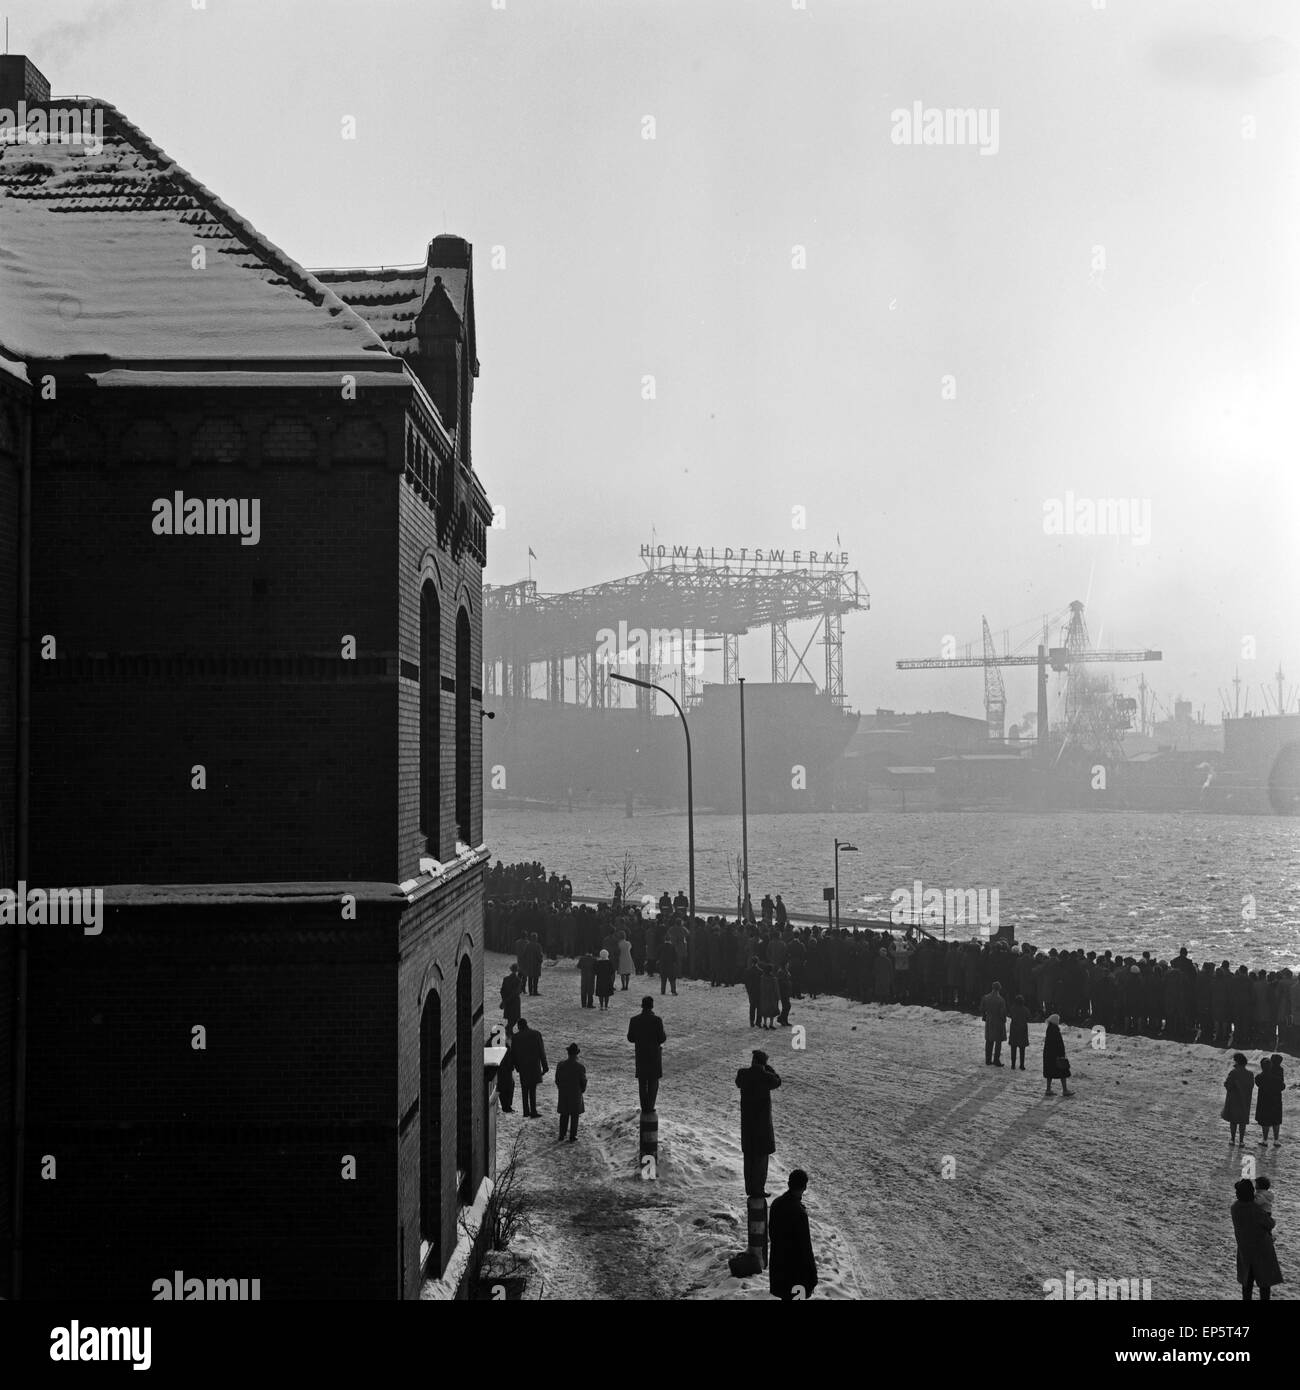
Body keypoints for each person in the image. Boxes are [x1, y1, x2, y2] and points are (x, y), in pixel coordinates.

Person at [736, 1050, 781, 1197]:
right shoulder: (766, 1077)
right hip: (762, 1127)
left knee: (748, 1160)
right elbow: (778, 1080)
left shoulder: (743, 1074)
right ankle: (759, 1190)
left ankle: (750, 1189)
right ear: (764, 1063)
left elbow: (738, 1081)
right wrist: (768, 1069)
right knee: (761, 1163)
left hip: (748, 1126)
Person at [1231, 1177, 1283, 1302]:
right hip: (1262, 1251)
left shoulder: (1235, 1208)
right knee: (1265, 1285)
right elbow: (1270, 1224)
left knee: (1247, 1285)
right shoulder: (1256, 1210)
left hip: (1245, 1251)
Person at [769, 1170, 818, 1301]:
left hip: (779, 1268)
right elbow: (805, 1247)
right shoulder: (799, 1213)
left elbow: (772, 1234)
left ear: (789, 1183)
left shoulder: (776, 1204)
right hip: (797, 1274)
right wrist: (813, 1276)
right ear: (805, 1187)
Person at [627, 996, 666, 1112]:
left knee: (642, 1082)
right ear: (652, 1006)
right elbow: (662, 1038)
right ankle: (650, 1106)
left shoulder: (634, 1020)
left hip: (641, 1055)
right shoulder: (657, 1020)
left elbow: (630, 1038)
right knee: (653, 1082)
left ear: (642, 1006)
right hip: (654, 1055)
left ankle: (644, 1107)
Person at [510, 1019, 549, 1119]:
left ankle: (526, 1110)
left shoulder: (516, 1037)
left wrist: (517, 1067)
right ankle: (533, 1111)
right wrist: (545, 1066)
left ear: (519, 1026)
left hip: (523, 1067)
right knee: (532, 1089)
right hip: (534, 1065)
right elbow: (541, 1051)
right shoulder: (536, 1034)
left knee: (524, 1088)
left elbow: (513, 1054)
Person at [555, 1042, 587, 1142]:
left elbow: (557, 1080)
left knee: (564, 1114)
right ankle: (572, 1136)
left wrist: (561, 1088)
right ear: (576, 1053)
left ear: (568, 1053)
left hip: (564, 1092)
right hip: (575, 1094)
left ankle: (562, 1134)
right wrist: (581, 1090)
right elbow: (583, 1082)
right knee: (574, 1115)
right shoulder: (580, 1067)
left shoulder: (560, 1065)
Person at [1222, 1053, 1254, 1147]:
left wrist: (1226, 1083)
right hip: (1245, 1100)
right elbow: (1251, 1086)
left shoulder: (1233, 1072)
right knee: (1242, 1121)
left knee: (1233, 1121)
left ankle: (1232, 1139)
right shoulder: (1250, 1074)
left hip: (1234, 1099)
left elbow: (1228, 1085)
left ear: (1237, 1062)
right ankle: (1241, 1141)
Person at [1255, 1054, 1284, 1148]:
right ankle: (1276, 1140)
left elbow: (1258, 1084)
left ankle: (1265, 1140)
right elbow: (1282, 1087)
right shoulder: (1278, 1075)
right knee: (1276, 1120)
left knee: (1265, 1121)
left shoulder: (1259, 1077)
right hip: (1276, 1100)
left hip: (1264, 1100)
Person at [981, 980, 1008, 1067]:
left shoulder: (986, 997)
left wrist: (985, 1016)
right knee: (998, 1041)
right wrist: (1004, 1020)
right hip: (998, 1022)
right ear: (999, 989)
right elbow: (1002, 1013)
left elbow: (982, 1008)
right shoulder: (1001, 1000)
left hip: (989, 1020)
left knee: (989, 1040)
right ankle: (996, 1060)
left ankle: (988, 1060)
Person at [1043, 1013, 1071, 1096]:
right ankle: (1065, 1090)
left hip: (1049, 1055)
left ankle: (1048, 1089)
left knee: (1049, 1073)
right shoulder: (1055, 1030)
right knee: (1063, 1071)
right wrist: (1061, 1054)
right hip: (1056, 1055)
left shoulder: (1049, 1029)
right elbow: (1058, 1044)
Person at [1008, 993, 1030, 1070]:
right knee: (1022, 1049)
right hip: (1022, 1031)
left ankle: (1013, 1065)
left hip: (1014, 1030)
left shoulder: (1012, 1008)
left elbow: (1010, 1015)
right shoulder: (1026, 1010)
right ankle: (1022, 1065)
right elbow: (1028, 1018)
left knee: (1013, 1048)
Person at [500, 964, 523, 1037]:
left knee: (510, 1016)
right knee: (515, 1017)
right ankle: (508, 1029)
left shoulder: (506, 979)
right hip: (515, 1001)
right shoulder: (518, 980)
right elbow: (517, 992)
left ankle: (509, 1030)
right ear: (517, 970)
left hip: (507, 1001)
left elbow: (502, 990)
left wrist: (504, 1000)